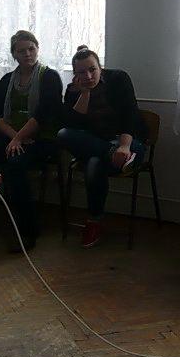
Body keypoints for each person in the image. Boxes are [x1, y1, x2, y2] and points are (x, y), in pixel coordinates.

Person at [0, 30, 63, 251]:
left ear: (37, 49)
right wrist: (14, 137)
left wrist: (19, 138)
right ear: (14, 54)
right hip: (10, 134)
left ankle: (28, 230)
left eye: (31, 49)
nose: (27, 54)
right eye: (21, 51)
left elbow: (44, 115)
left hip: (40, 138)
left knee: (15, 166)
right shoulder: (7, 80)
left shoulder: (49, 77)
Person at [57, 45, 147, 248]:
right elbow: (72, 125)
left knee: (94, 164)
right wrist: (85, 93)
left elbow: (131, 115)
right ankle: (110, 153)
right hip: (97, 143)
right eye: (82, 72)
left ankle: (94, 221)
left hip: (129, 142)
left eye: (92, 69)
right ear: (75, 74)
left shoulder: (119, 79)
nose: (88, 76)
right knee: (63, 135)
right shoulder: (73, 91)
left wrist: (124, 147)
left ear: (101, 67)